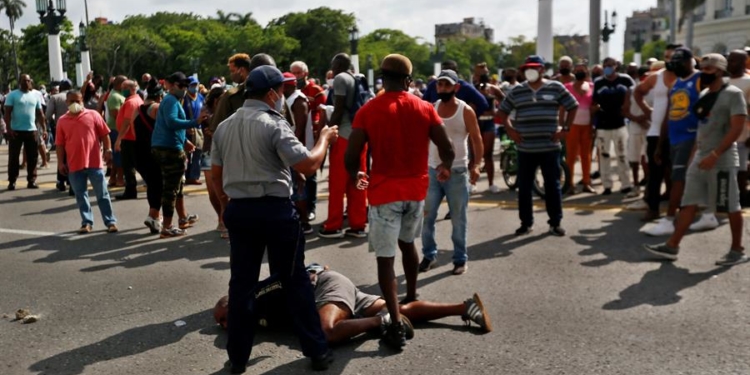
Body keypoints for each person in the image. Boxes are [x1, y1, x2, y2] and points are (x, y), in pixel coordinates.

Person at [211, 65, 338, 373]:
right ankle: (317, 351)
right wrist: (323, 139)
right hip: (274, 210)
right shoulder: (273, 124)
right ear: (271, 94)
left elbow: (216, 175)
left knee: (241, 284)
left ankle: (238, 358)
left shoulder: (225, 126)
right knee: (293, 280)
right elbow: (307, 165)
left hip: (240, 210)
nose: (282, 98)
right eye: (280, 92)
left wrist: (228, 204)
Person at [345, 54, 455, 350]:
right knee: (408, 244)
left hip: (383, 193)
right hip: (416, 191)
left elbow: (351, 156)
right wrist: (445, 167)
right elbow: (447, 146)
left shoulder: (368, 110)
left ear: (382, 78)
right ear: (408, 81)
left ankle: (395, 323)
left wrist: (360, 179)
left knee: (385, 257)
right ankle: (412, 295)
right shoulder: (424, 108)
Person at [212, 264, 492, 344]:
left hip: (327, 286)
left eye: (223, 317)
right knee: (399, 310)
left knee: (325, 332)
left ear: (233, 304)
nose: (222, 325)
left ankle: (382, 323)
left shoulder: (256, 296)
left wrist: (315, 270)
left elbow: (296, 275)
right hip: (334, 293)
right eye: (220, 323)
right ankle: (464, 307)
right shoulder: (253, 321)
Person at [644, 54, 748, 266]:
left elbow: (737, 128)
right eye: (703, 68)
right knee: (688, 202)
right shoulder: (704, 93)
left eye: (709, 69)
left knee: (729, 205)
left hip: (722, 160)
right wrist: (696, 153)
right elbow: (702, 129)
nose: (704, 72)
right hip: (700, 156)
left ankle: (737, 250)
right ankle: (672, 245)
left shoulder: (733, 94)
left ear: (720, 70)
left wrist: (716, 154)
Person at [498, 55, 578, 236]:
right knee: (524, 187)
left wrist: (565, 129)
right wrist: (510, 131)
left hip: (549, 147)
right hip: (525, 148)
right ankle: (526, 223)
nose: (530, 71)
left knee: (553, 185)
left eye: (534, 67)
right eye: (527, 68)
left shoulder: (555, 87)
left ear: (542, 69)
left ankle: (555, 222)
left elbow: (573, 106)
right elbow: (503, 111)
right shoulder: (518, 91)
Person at [419, 70, 483, 275]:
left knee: (458, 218)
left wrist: (477, 164)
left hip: (457, 171)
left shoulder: (465, 111)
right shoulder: (431, 108)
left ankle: (459, 259)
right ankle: (429, 256)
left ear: (456, 87)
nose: (443, 89)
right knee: (427, 216)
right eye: (440, 85)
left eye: (447, 85)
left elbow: (476, 139)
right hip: (432, 171)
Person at [647, 47, 703, 236]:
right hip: (674, 138)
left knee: (678, 178)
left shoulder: (700, 80)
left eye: (679, 62)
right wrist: (660, 144)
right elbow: (667, 116)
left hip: (691, 137)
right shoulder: (676, 84)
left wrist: (700, 139)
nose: (675, 66)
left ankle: (670, 218)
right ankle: (693, 212)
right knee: (678, 177)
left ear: (689, 62)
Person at [318, 53, 369, 239]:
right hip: (360, 136)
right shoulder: (358, 78)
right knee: (360, 180)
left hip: (344, 136)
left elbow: (339, 108)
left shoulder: (340, 78)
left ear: (338, 64)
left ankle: (333, 225)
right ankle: (358, 224)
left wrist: (330, 130)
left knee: (337, 183)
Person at [152, 72, 207, 238]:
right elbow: (171, 122)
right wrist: (194, 122)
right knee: (171, 189)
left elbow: (168, 126)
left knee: (177, 186)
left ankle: (182, 218)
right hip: (169, 150)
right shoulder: (170, 101)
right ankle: (167, 227)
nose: (184, 89)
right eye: (181, 85)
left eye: (185, 86)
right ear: (172, 85)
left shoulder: (172, 100)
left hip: (168, 146)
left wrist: (184, 141)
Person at [55, 91, 118, 234]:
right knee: (80, 195)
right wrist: (60, 163)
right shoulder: (62, 121)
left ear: (82, 100)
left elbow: (104, 134)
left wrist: (108, 149)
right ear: (66, 102)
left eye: (77, 101)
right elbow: (59, 144)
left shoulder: (93, 115)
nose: (74, 104)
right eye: (71, 101)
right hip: (74, 165)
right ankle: (87, 222)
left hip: (94, 163)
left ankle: (110, 222)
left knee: (102, 194)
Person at [205, 53, 251, 235]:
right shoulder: (272, 92)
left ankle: (230, 223)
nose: (231, 75)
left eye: (232, 71)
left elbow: (216, 128)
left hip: (241, 155)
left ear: (241, 70)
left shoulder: (232, 95)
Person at [634, 45, 681, 221]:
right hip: (655, 133)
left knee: (679, 173)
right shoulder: (657, 77)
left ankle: (679, 209)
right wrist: (648, 112)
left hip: (681, 133)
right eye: (667, 57)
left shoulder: (689, 78)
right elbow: (638, 92)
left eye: (673, 57)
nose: (670, 61)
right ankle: (653, 209)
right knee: (655, 173)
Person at [592, 57, 635, 196]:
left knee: (622, 155)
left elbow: (636, 96)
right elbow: (593, 103)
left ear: (616, 66)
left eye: (610, 65)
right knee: (604, 156)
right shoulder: (598, 82)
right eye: (605, 65)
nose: (608, 67)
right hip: (603, 125)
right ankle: (607, 185)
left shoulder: (626, 80)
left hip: (621, 124)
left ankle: (626, 184)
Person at [291, 61, 328, 220]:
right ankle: (298, 208)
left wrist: (319, 135)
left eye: (298, 73)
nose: (296, 76)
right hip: (295, 136)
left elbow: (323, 114)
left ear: (305, 73)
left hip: (311, 137)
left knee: (311, 174)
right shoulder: (289, 90)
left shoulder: (316, 91)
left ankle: (311, 207)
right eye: (293, 73)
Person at [283, 72, 315, 234]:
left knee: (299, 186)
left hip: (297, 149)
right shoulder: (291, 99)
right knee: (294, 186)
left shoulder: (298, 100)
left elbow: (300, 129)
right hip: (292, 148)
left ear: (288, 85)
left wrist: (293, 151)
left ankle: (304, 221)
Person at [133, 79, 166, 234]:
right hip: (154, 151)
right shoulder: (157, 108)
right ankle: (153, 215)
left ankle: (155, 216)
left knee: (152, 184)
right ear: (159, 96)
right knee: (158, 184)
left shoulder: (137, 109)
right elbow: (166, 126)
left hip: (138, 152)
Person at [4, 74, 46, 190]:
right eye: (24, 80)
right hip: (16, 131)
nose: (26, 82)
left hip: (32, 130)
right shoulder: (12, 95)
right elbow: (7, 113)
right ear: (19, 82)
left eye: (28, 80)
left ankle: (31, 180)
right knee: (14, 157)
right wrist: (9, 128)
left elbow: (40, 113)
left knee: (33, 157)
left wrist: (44, 129)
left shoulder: (35, 96)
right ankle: (12, 181)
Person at [472, 62, 505, 193]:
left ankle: (491, 183)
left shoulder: (492, 88)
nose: (483, 75)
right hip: (475, 122)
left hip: (489, 122)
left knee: (488, 154)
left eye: (485, 72)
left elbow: (504, 99)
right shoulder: (472, 88)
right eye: (480, 73)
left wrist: (497, 111)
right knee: (474, 155)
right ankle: (472, 183)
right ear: (475, 75)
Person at [564, 62, 596, 194]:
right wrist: (562, 124)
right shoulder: (567, 87)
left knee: (586, 155)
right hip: (572, 125)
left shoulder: (592, 86)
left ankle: (586, 182)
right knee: (571, 156)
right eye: (576, 70)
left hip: (587, 125)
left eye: (582, 70)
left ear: (587, 72)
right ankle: (569, 183)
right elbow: (561, 107)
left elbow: (594, 105)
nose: (579, 73)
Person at [113, 80, 144, 200]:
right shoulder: (136, 100)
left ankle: (131, 190)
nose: (122, 90)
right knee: (131, 165)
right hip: (131, 138)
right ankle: (130, 190)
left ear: (131, 89)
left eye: (124, 87)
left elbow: (127, 122)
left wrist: (118, 139)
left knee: (131, 166)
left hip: (129, 138)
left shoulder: (131, 102)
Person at [726, 50, 750, 206]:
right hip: (724, 134)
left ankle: (743, 196)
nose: (730, 63)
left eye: (734, 60)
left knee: (741, 169)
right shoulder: (723, 82)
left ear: (743, 63)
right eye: (729, 60)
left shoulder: (748, 82)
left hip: (743, 134)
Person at [624, 65, 649, 199]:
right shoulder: (632, 90)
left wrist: (645, 118)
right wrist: (638, 119)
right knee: (634, 159)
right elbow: (625, 110)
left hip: (650, 128)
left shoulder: (655, 90)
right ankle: (636, 186)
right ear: (639, 77)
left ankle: (648, 186)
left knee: (648, 159)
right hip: (634, 128)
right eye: (644, 75)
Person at [46, 79, 73, 193]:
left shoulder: (55, 98)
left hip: (60, 129)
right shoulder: (76, 96)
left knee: (61, 155)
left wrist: (50, 124)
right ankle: (72, 181)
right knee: (73, 155)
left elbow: (48, 114)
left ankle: (61, 181)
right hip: (75, 129)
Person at [183, 77, 205, 185]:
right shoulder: (183, 98)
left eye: (196, 85)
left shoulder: (200, 97)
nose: (194, 87)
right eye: (192, 85)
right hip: (186, 128)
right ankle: (185, 175)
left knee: (198, 153)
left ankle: (194, 176)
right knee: (186, 154)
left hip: (198, 129)